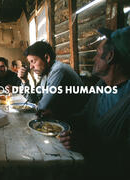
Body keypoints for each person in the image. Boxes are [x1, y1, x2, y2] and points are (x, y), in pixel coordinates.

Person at [59, 26, 130, 179]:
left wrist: (87, 145)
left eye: (97, 53)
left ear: (110, 56)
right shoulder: (102, 86)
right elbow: (84, 116)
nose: (93, 59)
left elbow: (123, 159)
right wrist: (57, 117)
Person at [18, 41, 87, 120]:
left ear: (47, 58)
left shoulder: (59, 70)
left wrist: (37, 106)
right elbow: (34, 99)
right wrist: (25, 81)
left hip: (76, 122)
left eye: (33, 61)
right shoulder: (45, 73)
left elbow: (43, 107)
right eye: (29, 62)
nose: (31, 67)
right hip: (61, 118)